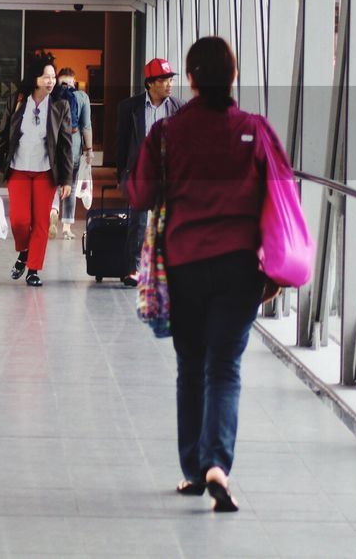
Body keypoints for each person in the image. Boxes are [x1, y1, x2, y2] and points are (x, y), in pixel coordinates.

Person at [128, 36, 287, 512]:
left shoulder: (167, 133)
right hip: (240, 267)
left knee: (191, 366)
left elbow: (139, 194)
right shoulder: (255, 130)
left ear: (191, 80)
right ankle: (218, 462)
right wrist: (274, 267)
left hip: (184, 264)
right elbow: (281, 194)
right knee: (225, 368)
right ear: (233, 77)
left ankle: (195, 470)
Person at [0, 58, 74, 287]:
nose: (51, 81)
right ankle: (24, 252)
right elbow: (3, 135)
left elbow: (65, 144)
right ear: (34, 78)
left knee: (41, 222)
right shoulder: (17, 100)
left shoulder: (60, 105)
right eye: (47, 77)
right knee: (20, 221)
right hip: (19, 169)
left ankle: (33, 269)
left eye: (53, 77)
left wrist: (66, 179)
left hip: (46, 172)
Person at [116, 57, 184, 287]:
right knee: (138, 221)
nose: (169, 84)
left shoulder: (179, 108)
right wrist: (121, 176)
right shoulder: (129, 108)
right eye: (164, 79)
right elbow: (122, 143)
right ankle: (132, 269)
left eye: (170, 79)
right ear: (151, 83)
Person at [53, 68, 92, 240]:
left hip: (53, 147)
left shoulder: (52, 94)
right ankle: (67, 227)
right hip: (73, 149)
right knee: (71, 185)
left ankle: (53, 210)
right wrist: (89, 150)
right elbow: (86, 126)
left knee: (53, 183)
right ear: (74, 81)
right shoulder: (82, 97)